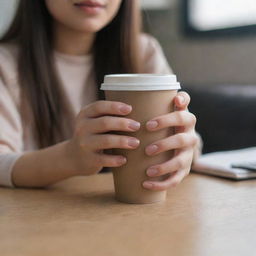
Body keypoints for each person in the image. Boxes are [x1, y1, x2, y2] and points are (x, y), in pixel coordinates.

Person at [0, 0, 201, 190]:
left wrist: (183, 147)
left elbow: (188, 141)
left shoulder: (144, 51)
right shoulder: (5, 63)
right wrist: (70, 157)